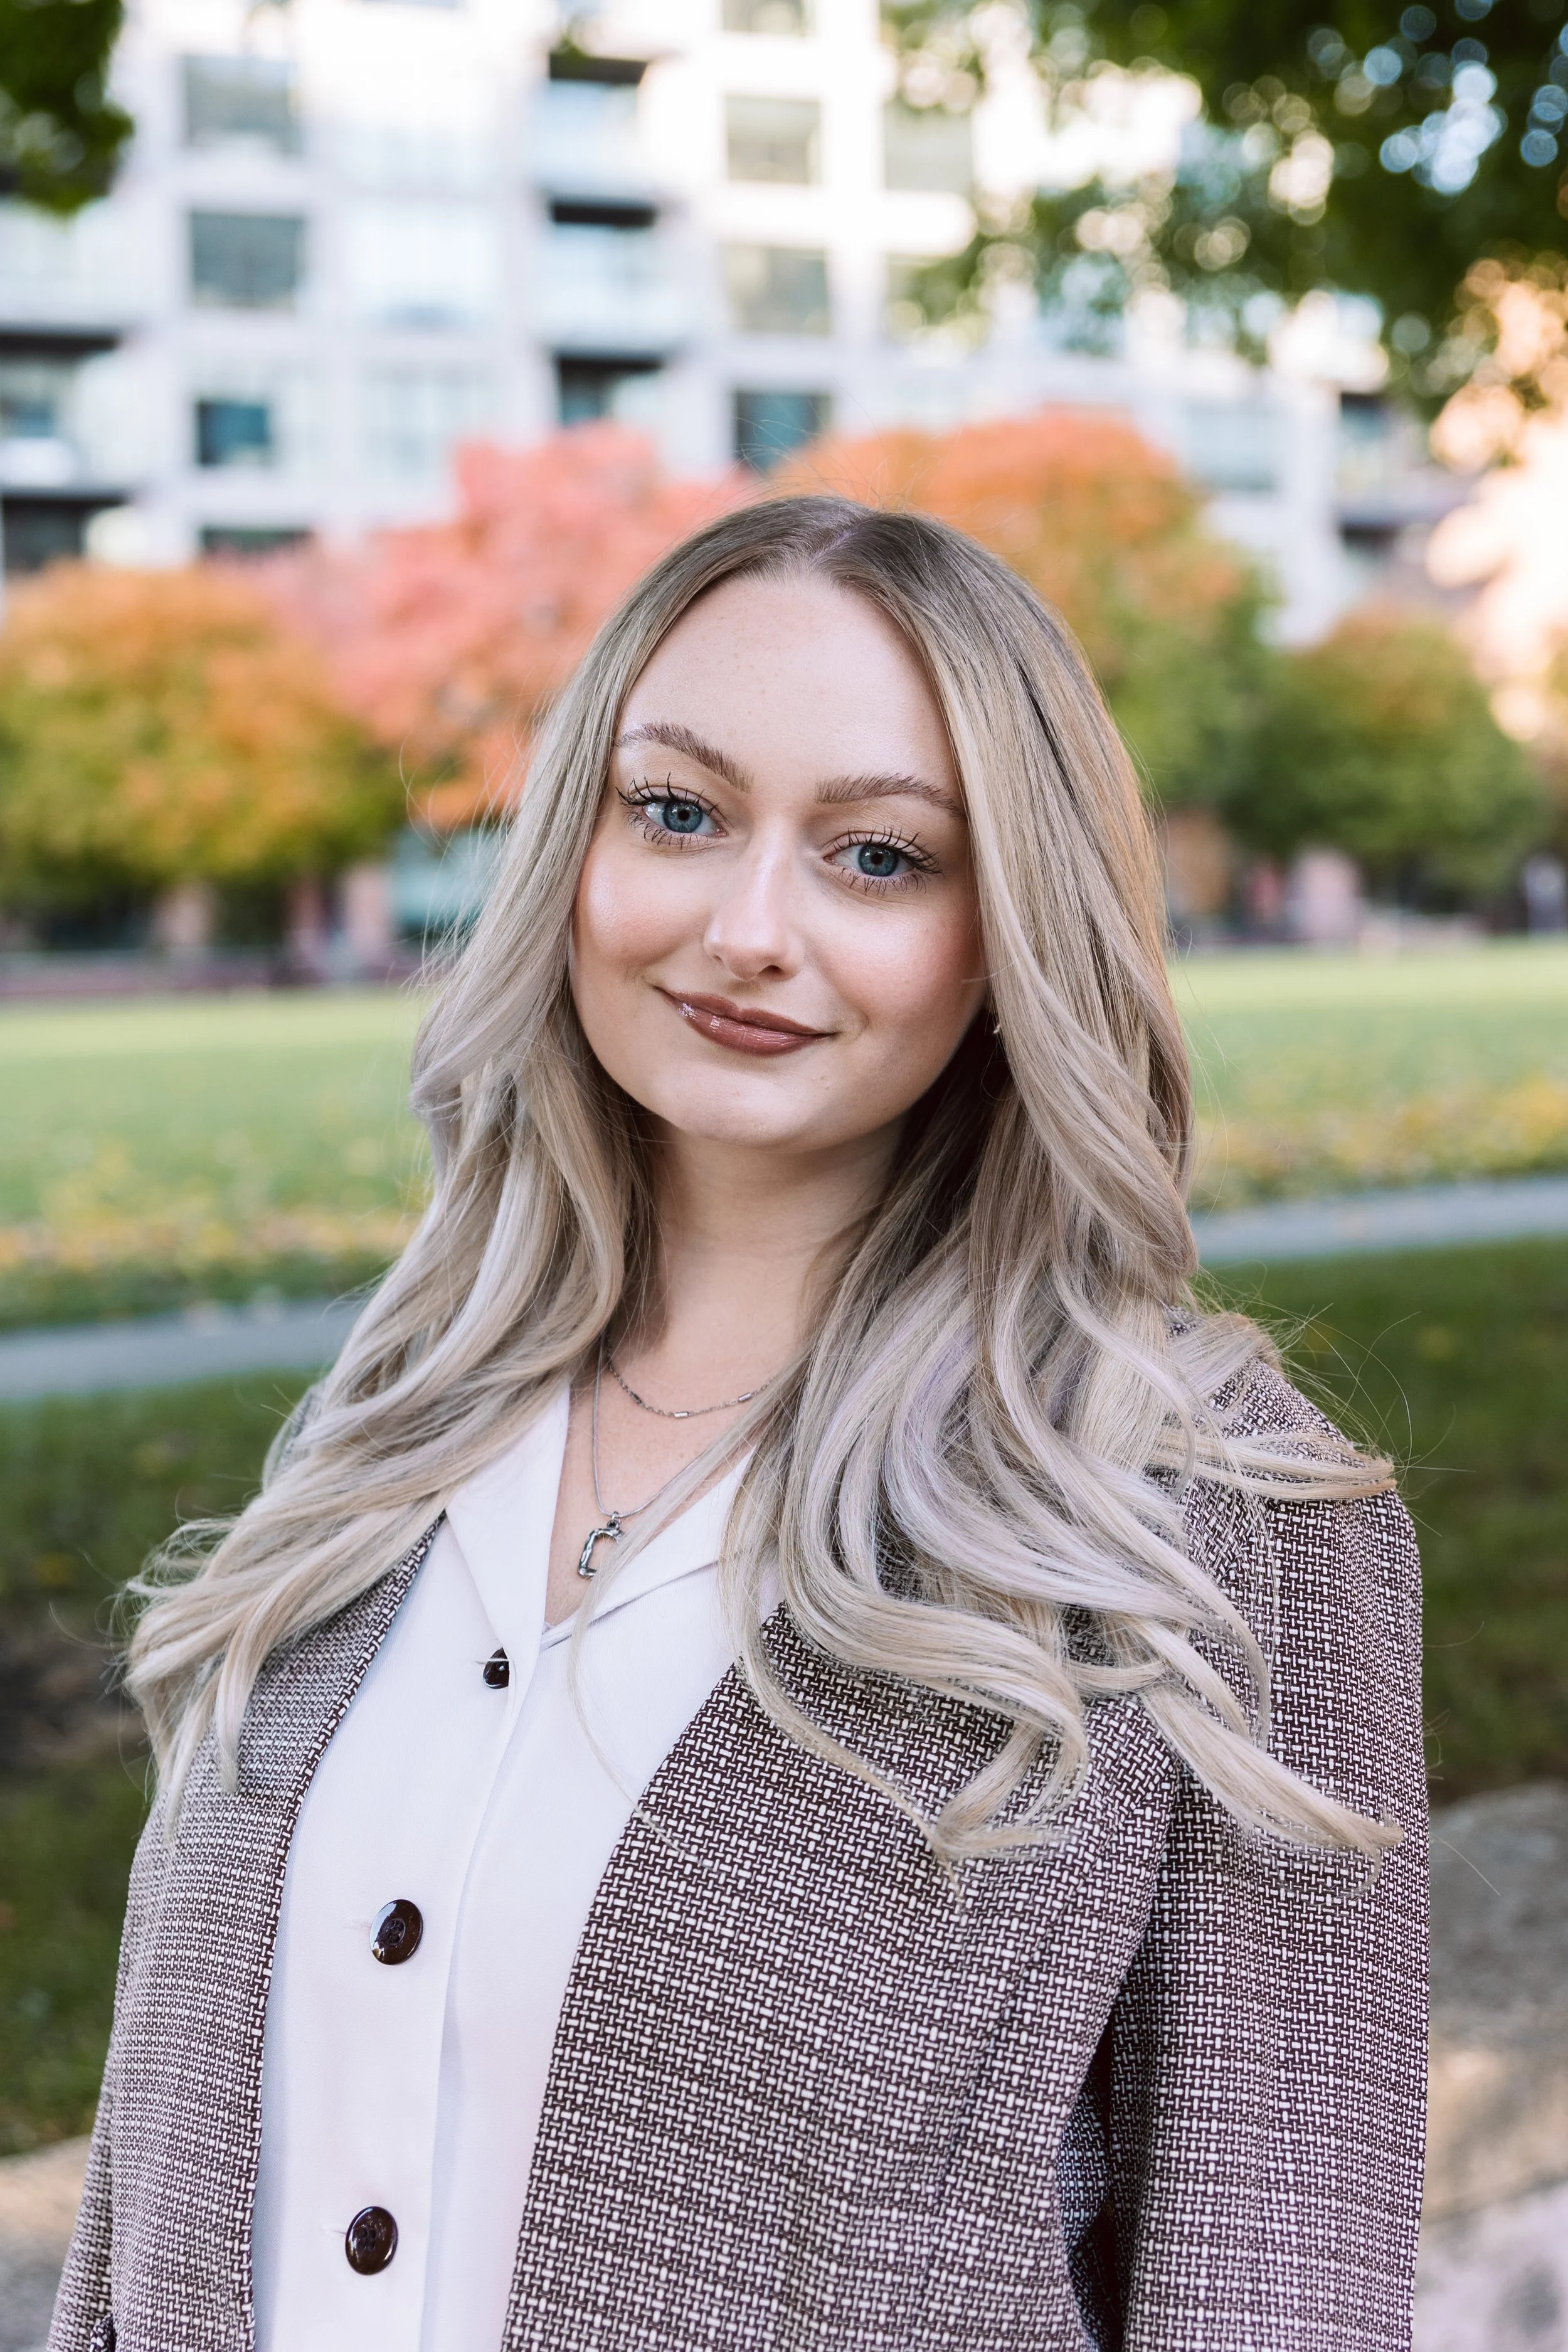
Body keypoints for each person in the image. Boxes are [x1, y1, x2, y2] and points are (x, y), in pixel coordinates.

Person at [51, 498, 1426, 2352]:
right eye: (678, 812)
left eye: (875, 855)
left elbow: (1276, 2283)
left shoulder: (1212, 1508)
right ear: (575, 843)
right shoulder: (387, 1423)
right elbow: (146, 2213)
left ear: (1007, 923)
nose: (746, 929)